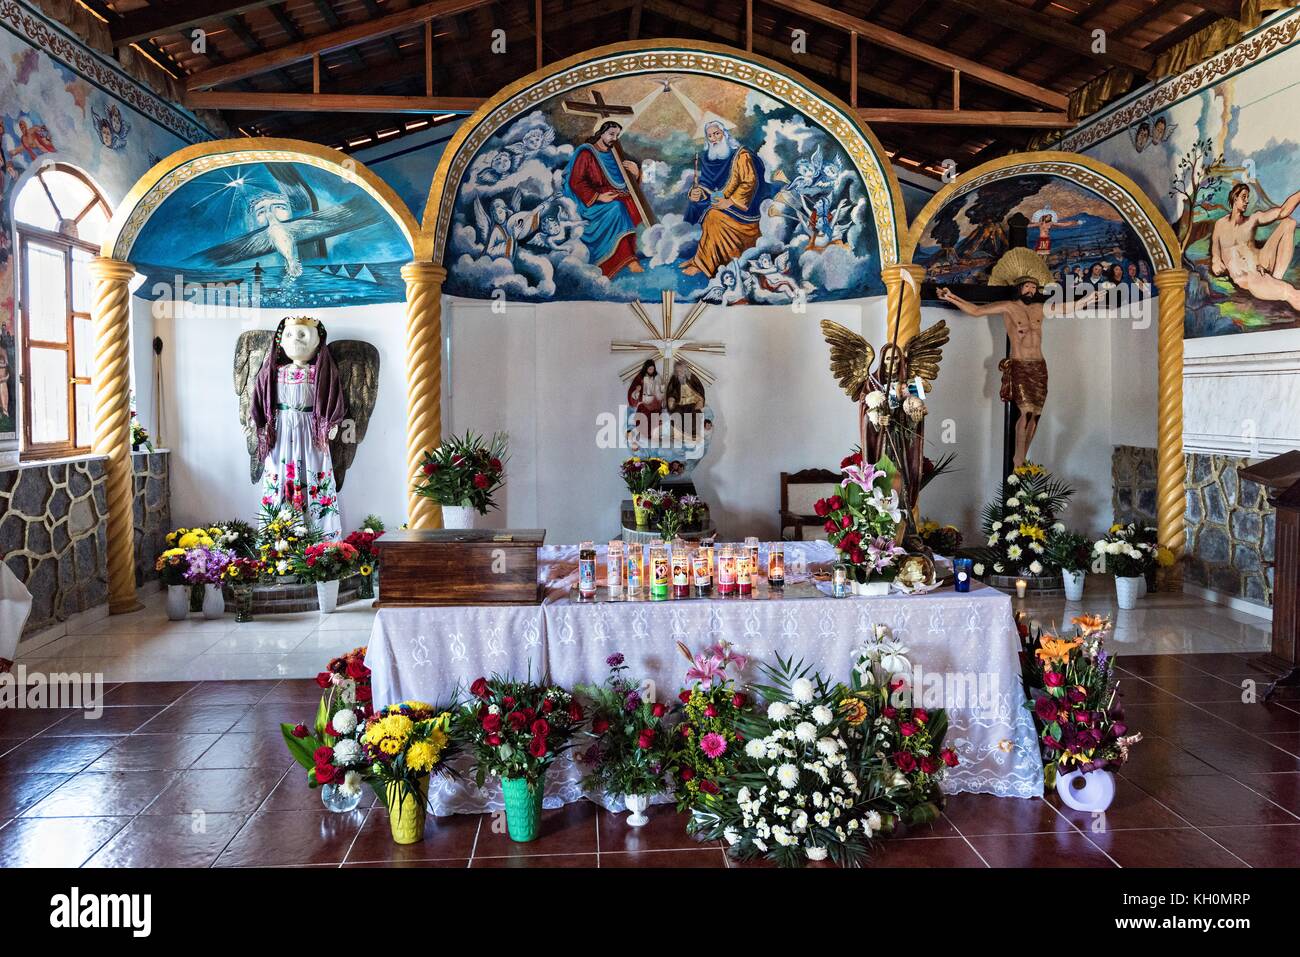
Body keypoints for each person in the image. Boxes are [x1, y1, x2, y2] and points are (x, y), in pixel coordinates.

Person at [937, 249, 1096, 468]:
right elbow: (975, 311)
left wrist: (1088, 298)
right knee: (1026, 411)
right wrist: (950, 297)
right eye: (1027, 286)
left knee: (1037, 415)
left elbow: (1065, 308)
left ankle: (1023, 456)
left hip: (1039, 366)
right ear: (1019, 288)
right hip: (1020, 365)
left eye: (1034, 287)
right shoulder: (1008, 307)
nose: (1031, 290)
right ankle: (1018, 457)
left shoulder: (1040, 309)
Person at [681, 120, 768, 276]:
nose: (714, 139)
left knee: (713, 216)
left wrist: (730, 202)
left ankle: (704, 264)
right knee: (707, 213)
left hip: (743, 209)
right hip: (720, 202)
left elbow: (750, 183)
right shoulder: (709, 158)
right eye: (710, 136)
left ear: (725, 134)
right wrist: (697, 193)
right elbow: (705, 184)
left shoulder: (742, 155)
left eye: (717, 134)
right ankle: (702, 258)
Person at [562, 120, 643, 276]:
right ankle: (628, 259)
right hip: (590, 204)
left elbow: (623, 182)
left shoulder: (615, 154)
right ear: (600, 133)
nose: (614, 138)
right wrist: (598, 197)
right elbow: (576, 182)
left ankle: (631, 254)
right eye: (611, 134)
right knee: (617, 208)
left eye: (617, 135)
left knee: (631, 203)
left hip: (612, 195)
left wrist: (637, 173)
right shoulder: (587, 153)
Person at [1210, 182, 1300, 310]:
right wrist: (1216, 261)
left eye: (1248, 197)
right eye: (1244, 197)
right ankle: (1274, 282)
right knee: (1291, 293)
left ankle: (1276, 279)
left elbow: (1282, 211)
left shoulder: (1252, 220)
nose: (1247, 201)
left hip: (1261, 264)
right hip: (1249, 277)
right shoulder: (1220, 224)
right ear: (1235, 198)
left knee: (1289, 223)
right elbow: (1215, 250)